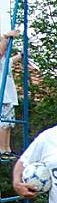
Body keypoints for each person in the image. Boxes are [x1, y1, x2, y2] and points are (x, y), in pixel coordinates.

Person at [0, 30, 20, 161]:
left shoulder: (6, 62)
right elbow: (1, 52)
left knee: (8, 124)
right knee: (3, 124)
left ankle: (7, 148)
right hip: (3, 98)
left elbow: (13, 59)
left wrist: (21, 54)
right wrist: (6, 37)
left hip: (9, 98)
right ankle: (2, 149)